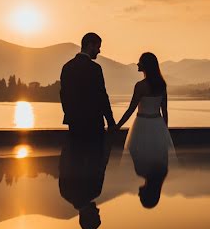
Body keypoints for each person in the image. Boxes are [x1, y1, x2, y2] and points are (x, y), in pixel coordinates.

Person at [115, 52, 174, 207]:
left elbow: (130, 110)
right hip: (157, 125)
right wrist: (164, 131)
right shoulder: (162, 85)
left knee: (140, 158)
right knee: (156, 160)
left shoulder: (140, 86)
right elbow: (165, 111)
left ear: (145, 65)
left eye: (140, 62)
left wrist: (116, 127)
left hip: (141, 126)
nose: (137, 64)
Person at [60, 32, 118, 136]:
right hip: (93, 122)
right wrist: (110, 120)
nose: (99, 51)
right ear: (90, 45)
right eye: (98, 47)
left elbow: (64, 95)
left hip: (74, 122)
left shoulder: (67, 67)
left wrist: (69, 114)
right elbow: (102, 96)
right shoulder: (95, 69)